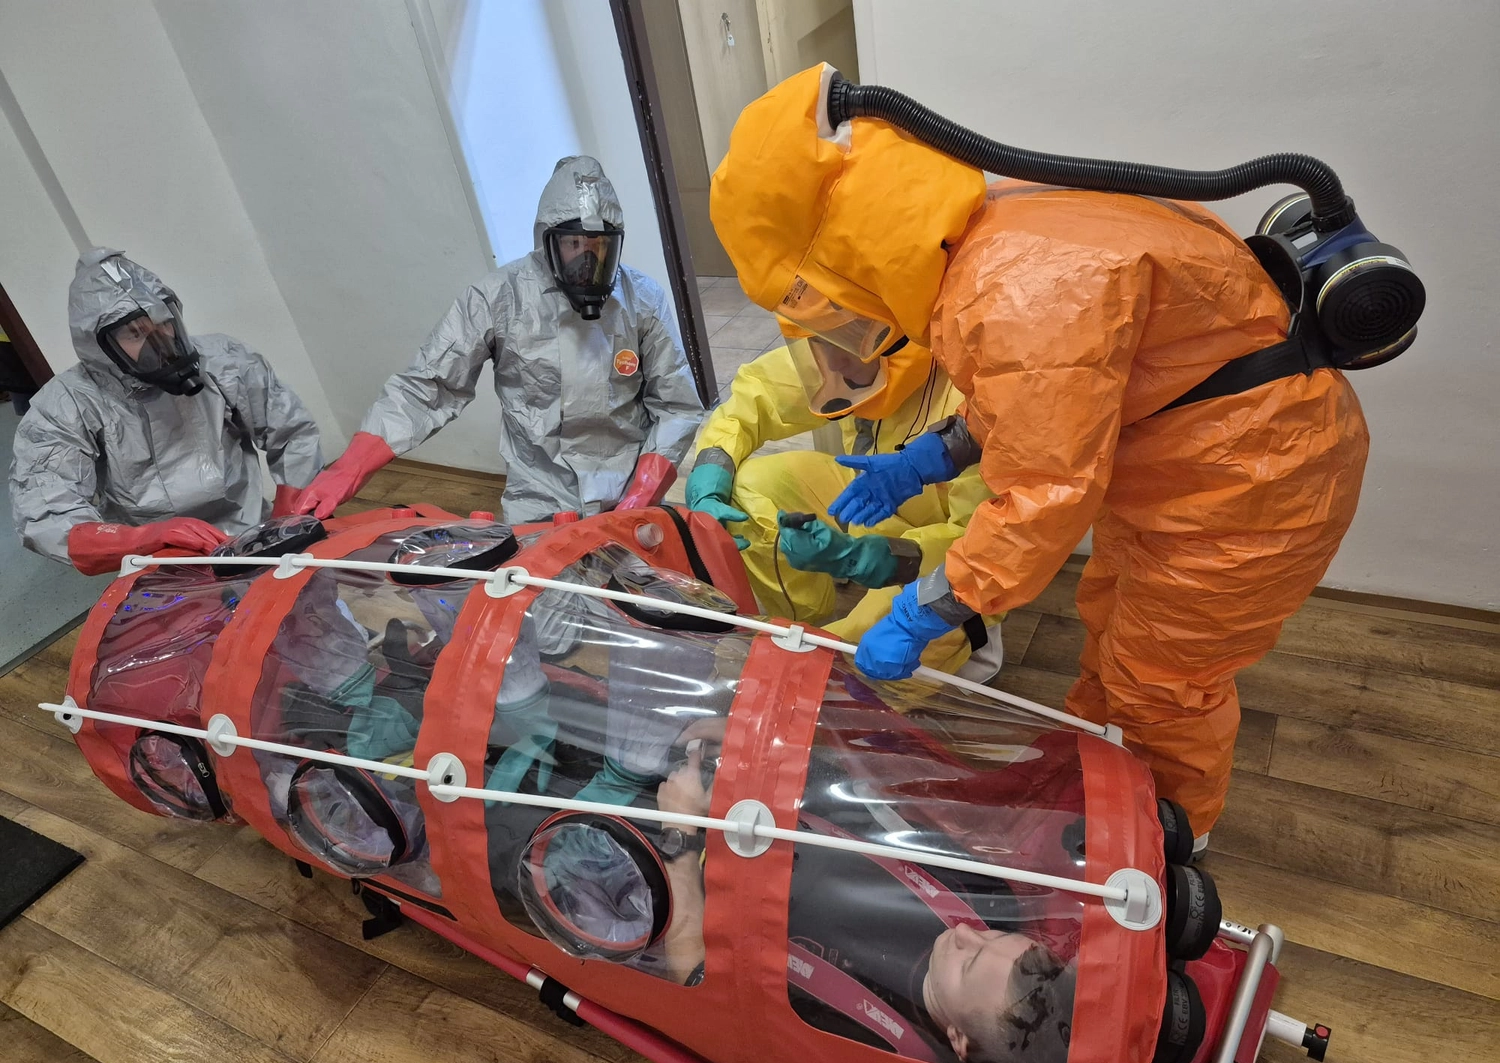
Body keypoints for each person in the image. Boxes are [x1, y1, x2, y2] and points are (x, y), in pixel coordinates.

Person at [708, 65, 1369, 847]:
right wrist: (930, 458)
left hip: (1251, 485)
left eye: (824, 306)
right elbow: (1044, 400)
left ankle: (1163, 849)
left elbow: (1040, 500)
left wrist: (924, 611)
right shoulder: (991, 246)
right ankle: (1095, 791)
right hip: (1189, 468)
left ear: (851, 268)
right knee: (1112, 636)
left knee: (1160, 684)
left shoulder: (1011, 290)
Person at [296, 156, 705, 523]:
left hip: (628, 486)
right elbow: (428, 387)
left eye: (599, 246)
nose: (588, 259)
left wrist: (640, 494)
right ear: (547, 241)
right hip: (539, 497)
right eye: (574, 244)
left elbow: (676, 406)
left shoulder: (643, 299)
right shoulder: (498, 297)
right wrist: (348, 468)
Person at [655, 739, 1075, 1063]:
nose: (967, 932)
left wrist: (679, 834)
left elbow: (697, 979)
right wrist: (754, 748)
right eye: (997, 937)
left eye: (969, 963)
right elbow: (861, 803)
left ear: (958, 1040)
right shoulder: (989, 899)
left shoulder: (865, 1046)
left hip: (672, 879)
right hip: (745, 805)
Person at [685, 341, 1004, 678]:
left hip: (942, 553)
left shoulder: (977, 386)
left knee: (861, 655)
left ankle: (972, 643)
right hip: (867, 502)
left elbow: (990, 544)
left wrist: (877, 558)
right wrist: (711, 470)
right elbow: (759, 393)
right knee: (752, 485)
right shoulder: (840, 340)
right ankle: (803, 624)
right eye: (822, 340)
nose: (832, 362)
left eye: (850, 339)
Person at [9, 248, 324, 574]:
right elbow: (46, 515)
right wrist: (146, 539)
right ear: (99, 346)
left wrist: (284, 526)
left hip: (250, 532)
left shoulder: (225, 361)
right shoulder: (66, 405)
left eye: (162, 323)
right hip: (156, 561)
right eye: (135, 333)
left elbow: (293, 434)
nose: (161, 342)